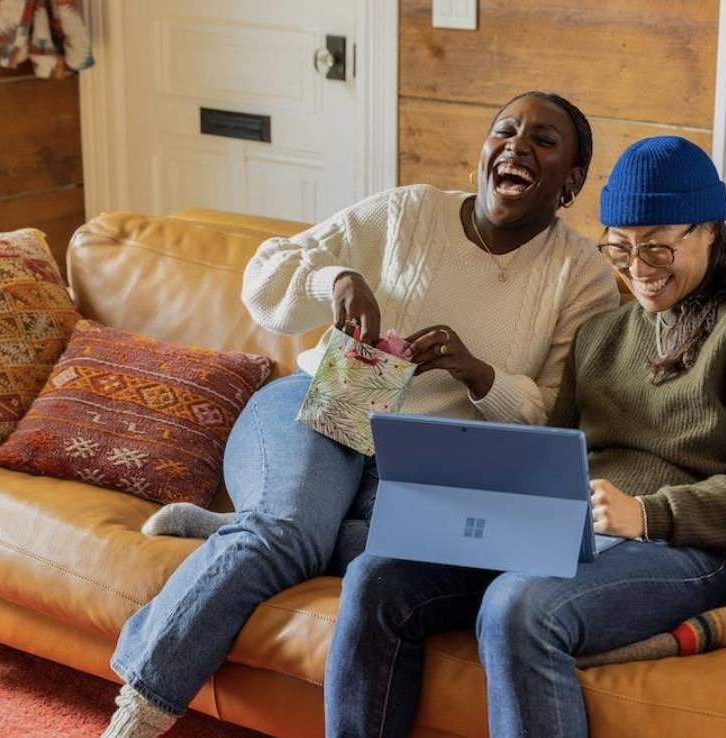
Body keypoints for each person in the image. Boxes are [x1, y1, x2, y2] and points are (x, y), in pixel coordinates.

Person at [100, 91, 619, 738]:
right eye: (505, 131)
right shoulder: (409, 212)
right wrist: (337, 280)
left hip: (428, 464)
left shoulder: (583, 277)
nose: (517, 146)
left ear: (570, 181)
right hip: (323, 402)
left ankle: (235, 528)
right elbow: (266, 275)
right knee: (287, 534)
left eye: (543, 141)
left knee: (385, 551)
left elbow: (552, 423)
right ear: (484, 152)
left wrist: (478, 374)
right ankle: (140, 709)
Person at [324, 136, 726, 737]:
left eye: (659, 249)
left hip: (686, 548)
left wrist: (648, 514)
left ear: (710, 231)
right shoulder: (601, 336)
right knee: (378, 576)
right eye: (621, 248)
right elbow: (551, 454)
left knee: (520, 608)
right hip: (565, 530)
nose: (638, 271)